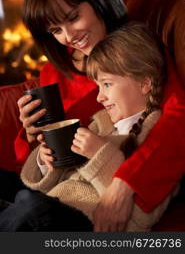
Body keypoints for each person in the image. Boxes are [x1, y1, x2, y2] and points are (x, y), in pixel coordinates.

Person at [11, 0, 185, 231]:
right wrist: (33, 135)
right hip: (57, 187)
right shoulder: (55, 72)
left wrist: (125, 184)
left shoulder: (137, 57)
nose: (69, 36)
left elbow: (178, 121)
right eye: (56, 29)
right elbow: (48, 161)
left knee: (27, 212)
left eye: (73, 17)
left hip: (83, 200)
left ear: (97, 1)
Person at [0, 23, 179, 231]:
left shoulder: (158, 134)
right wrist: (45, 161)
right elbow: (60, 180)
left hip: (82, 221)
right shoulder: (100, 123)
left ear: (144, 83)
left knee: (33, 209)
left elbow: (141, 218)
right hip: (50, 202)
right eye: (98, 85)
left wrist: (99, 154)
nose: (99, 97)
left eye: (107, 84)